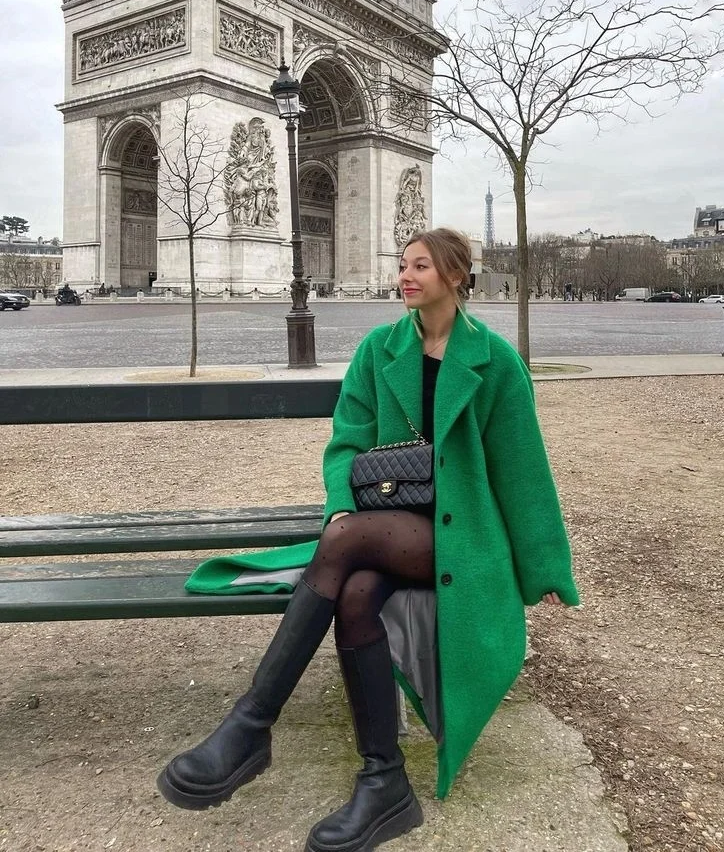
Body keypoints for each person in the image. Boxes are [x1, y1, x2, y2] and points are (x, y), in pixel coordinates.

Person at [156, 228, 580, 852]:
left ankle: (252, 724)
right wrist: (338, 507)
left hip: (461, 537)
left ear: (457, 277)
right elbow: (346, 445)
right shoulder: (378, 349)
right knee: (354, 593)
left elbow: (523, 471)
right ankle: (385, 781)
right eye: (403, 265)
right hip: (385, 522)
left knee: (347, 544)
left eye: (421, 267)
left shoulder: (495, 361)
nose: (405, 276)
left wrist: (545, 568)